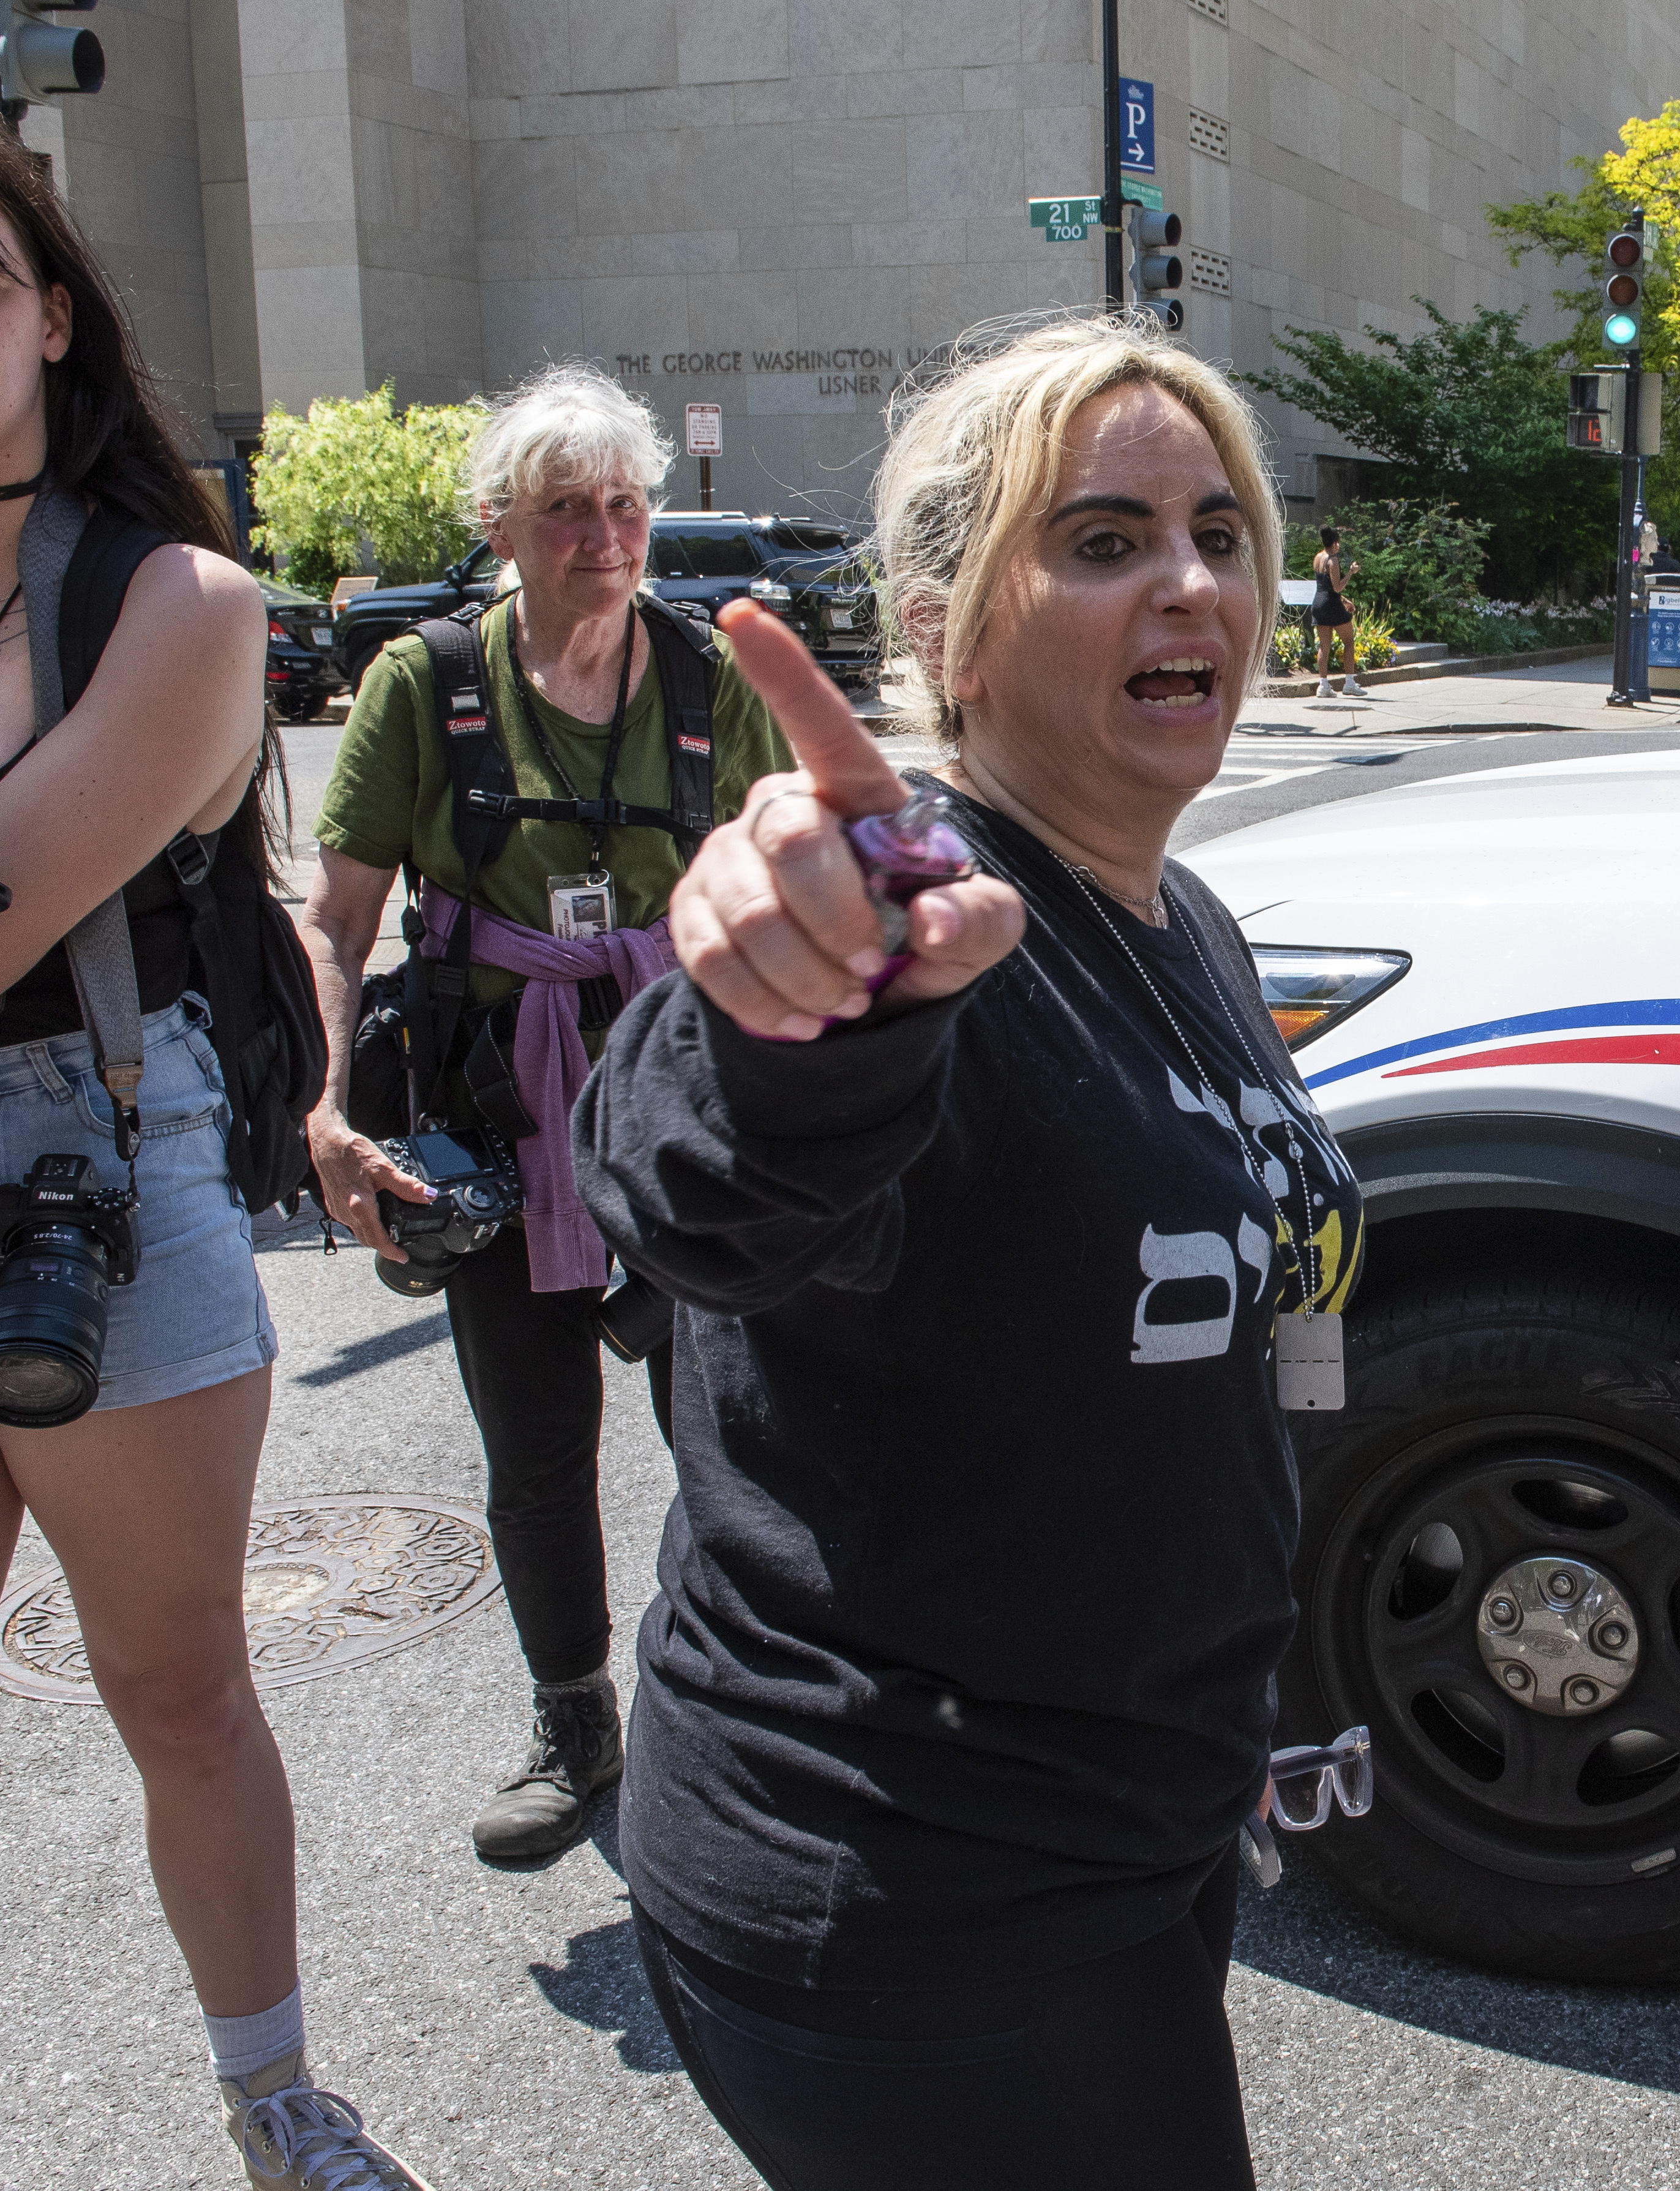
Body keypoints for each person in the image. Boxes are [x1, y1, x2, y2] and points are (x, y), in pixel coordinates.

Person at [572, 315, 1363, 2188]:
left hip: (1132, 1825)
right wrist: (793, 1004)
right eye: (1099, 541)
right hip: (915, 1897)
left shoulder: (1187, 914)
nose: (1188, 580)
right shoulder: (911, 918)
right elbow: (703, 1190)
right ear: (940, 624)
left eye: (1217, 530)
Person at [0, 85, 435, 2188]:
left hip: (97, 1163)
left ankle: (277, 2101)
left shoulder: (179, 602)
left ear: (52, 319)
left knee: (178, 1686)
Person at [295, 365, 792, 1866]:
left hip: (686, 1097)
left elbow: (797, 875)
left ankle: (738, 1719)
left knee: (734, 1434)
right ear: (501, 527)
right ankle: (576, 1722)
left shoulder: (713, 681)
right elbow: (333, 916)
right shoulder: (427, 680)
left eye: (626, 504)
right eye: (566, 509)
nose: (604, 534)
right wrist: (321, 1107)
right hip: (493, 1106)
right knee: (533, 1440)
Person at [1307, 517, 1363, 697]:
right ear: (1335, 543)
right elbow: (1337, 587)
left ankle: (1323, 686)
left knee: (1324, 647)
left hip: (1319, 604)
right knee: (1349, 642)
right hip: (1331, 605)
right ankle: (1349, 684)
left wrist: (1344, 600)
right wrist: (1351, 573)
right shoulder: (1333, 561)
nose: (1339, 546)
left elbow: (1326, 587)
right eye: (1338, 543)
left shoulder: (1318, 558)